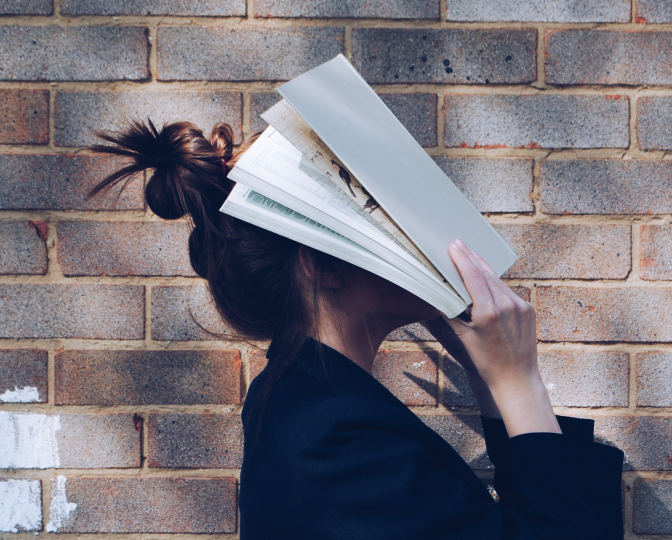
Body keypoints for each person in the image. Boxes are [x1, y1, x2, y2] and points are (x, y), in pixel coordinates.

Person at [86, 119, 626, 539]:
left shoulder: (316, 408)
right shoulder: (332, 444)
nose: (412, 229)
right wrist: (519, 383)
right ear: (320, 264)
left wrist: (491, 383)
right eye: (377, 213)